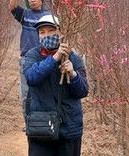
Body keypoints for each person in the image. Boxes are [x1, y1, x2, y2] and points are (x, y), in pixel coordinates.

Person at [24, 15, 89, 156]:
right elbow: (31, 77)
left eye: (51, 30)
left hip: (70, 128)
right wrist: (54, 58)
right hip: (41, 127)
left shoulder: (73, 58)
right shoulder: (33, 55)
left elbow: (83, 91)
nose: (46, 35)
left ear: (61, 33)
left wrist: (73, 75)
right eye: (42, 32)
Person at [9, 0, 50, 126]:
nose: (32, 0)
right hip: (27, 58)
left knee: (46, 90)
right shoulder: (25, 14)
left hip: (45, 58)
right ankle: (29, 123)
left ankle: (45, 121)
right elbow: (12, 7)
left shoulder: (48, 16)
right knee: (27, 92)